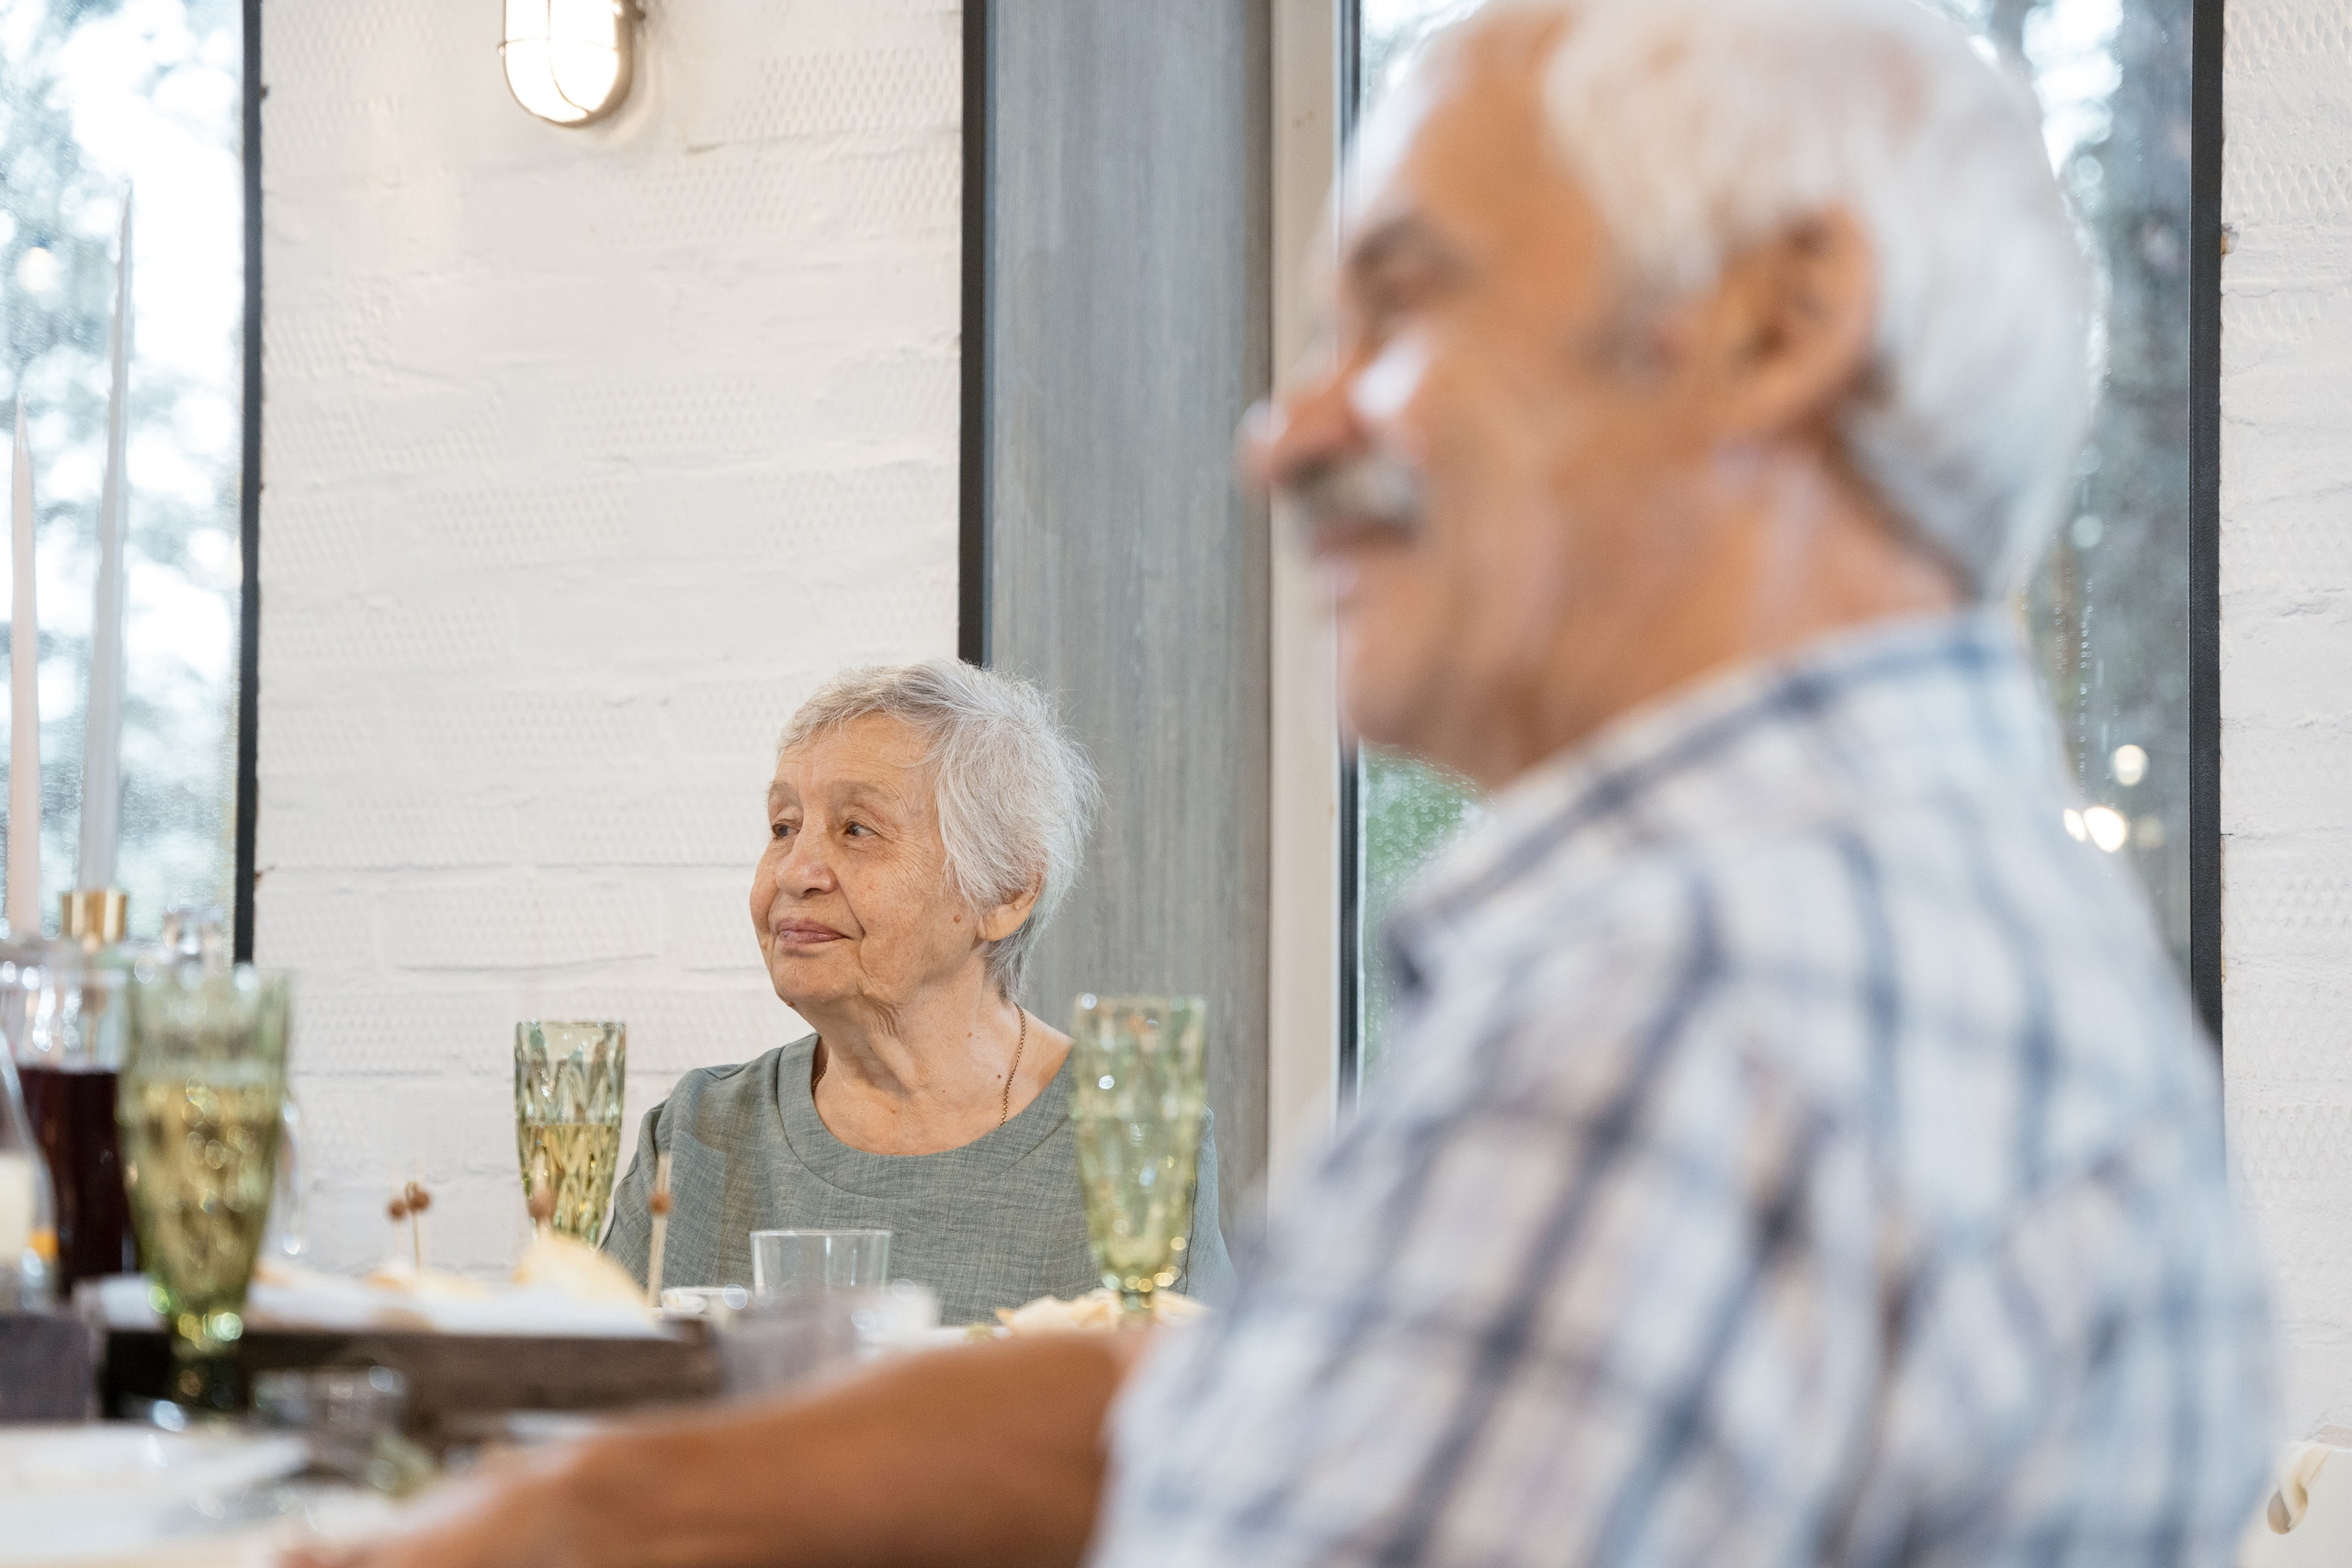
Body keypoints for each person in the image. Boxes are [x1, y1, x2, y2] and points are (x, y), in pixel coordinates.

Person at [298, 2, 2274, 1564]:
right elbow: (1241, 1415)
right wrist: (597, 1506)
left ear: (1777, 321)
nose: (1282, 434)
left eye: (1403, 305)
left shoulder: (1705, 1004)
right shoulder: (1867, 913)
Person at [600, 660, 1235, 1325]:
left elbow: (1196, 1387)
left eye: (857, 829)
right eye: (784, 826)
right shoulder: (698, 1132)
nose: (794, 872)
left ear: (1008, 890)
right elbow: (583, 1380)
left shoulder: (1131, 1138)